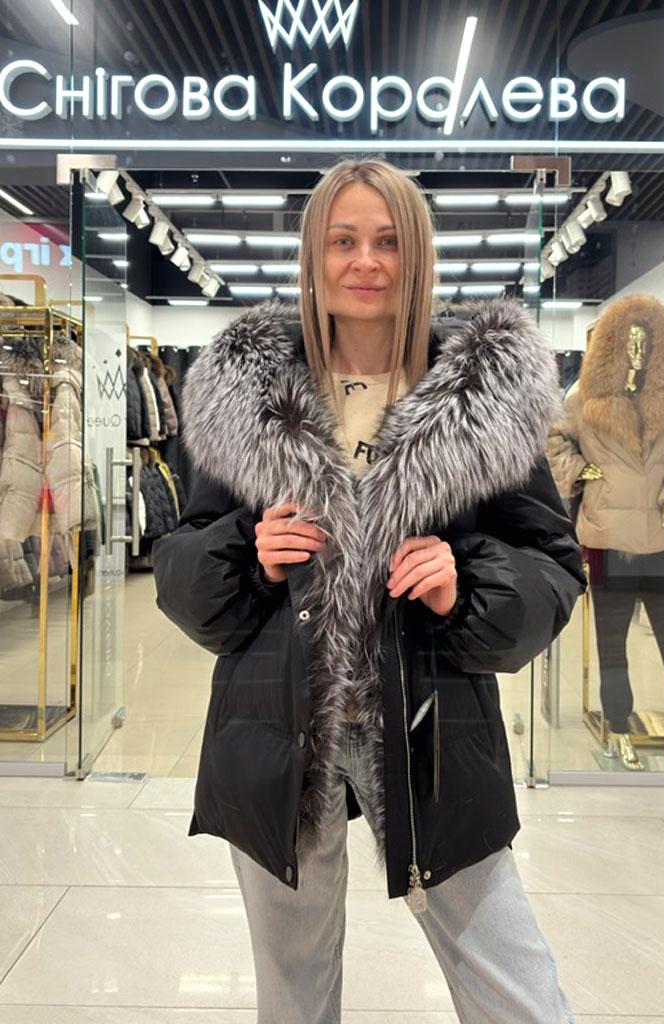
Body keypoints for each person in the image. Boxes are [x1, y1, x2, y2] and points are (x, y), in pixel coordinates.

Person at [154, 159, 585, 1024]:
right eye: (343, 240)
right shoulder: (248, 394)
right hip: (277, 724)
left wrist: (466, 583)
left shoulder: (482, 394)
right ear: (314, 255)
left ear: (416, 254)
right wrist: (248, 552)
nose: (365, 261)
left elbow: (552, 564)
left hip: (432, 724)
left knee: (512, 982)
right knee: (294, 987)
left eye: (388, 241)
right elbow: (182, 562)